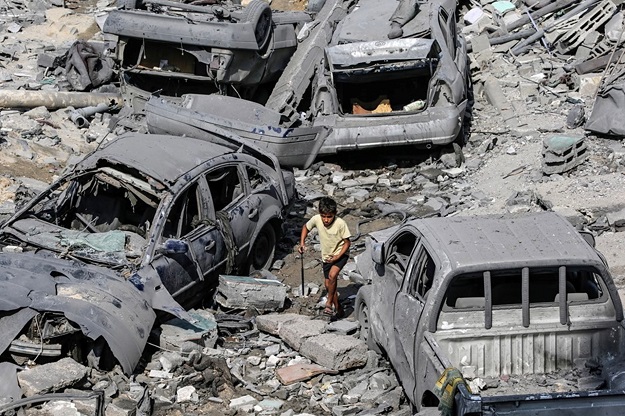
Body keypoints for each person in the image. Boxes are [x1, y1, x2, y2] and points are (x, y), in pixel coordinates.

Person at [299, 197, 351, 318]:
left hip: (341, 254)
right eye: (323, 216)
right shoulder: (316, 219)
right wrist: (302, 243)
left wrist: (337, 256)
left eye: (329, 217)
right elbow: (305, 227)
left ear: (334, 214)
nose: (326, 220)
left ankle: (328, 303)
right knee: (329, 285)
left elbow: (347, 243)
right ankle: (338, 308)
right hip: (326, 257)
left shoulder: (340, 223)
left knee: (333, 276)